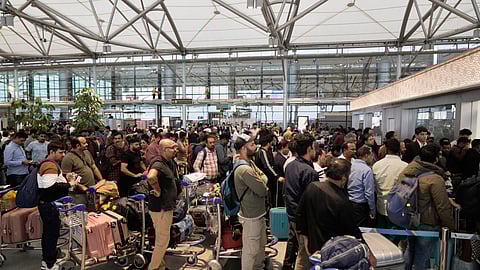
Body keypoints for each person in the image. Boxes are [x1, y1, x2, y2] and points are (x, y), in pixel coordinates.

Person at [398, 144, 455, 269]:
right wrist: (450, 226)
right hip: (427, 223)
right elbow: (442, 206)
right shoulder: (435, 179)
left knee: (410, 251)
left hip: (409, 218)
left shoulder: (407, 172)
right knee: (422, 256)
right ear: (436, 159)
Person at [296, 158, 363, 253]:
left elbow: (300, 215)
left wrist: (305, 239)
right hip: (332, 251)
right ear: (344, 178)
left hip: (312, 246)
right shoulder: (342, 201)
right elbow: (352, 231)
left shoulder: (312, 187)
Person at [38, 141, 81, 270]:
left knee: (50, 234)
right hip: (49, 206)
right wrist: (70, 184)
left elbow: (51, 182)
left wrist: (64, 177)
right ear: (51, 152)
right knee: (51, 234)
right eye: (60, 152)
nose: (63, 155)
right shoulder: (49, 166)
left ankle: (48, 260)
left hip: (48, 205)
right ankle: (49, 264)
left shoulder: (50, 165)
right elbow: (49, 187)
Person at [233, 134, 269, 270]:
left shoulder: (250, 163)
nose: (255, 147)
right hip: (250, 216)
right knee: (250, 250)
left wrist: (262, 180)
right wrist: (262, 181)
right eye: (252, 145)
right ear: (243, 148)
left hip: (258, 214)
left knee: (260, 246)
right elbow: (262, 189)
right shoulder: (244, 169)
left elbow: (264, 177)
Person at [145, 139, 180, 270]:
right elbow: (151, 177)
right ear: (164, 149)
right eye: (173, 148)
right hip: (161, 208)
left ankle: (160, 266)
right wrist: (158, 190)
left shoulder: (169, 162)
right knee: (162, 241)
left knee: (161, 238)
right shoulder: (158, 163)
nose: (176, 149)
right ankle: (153, 268)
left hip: (166, 206)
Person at [284, 134, 318, 270]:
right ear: (309, 148)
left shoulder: (291, 165)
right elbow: (313, 200)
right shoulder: (309, 172)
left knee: (296, 244)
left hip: (292, 212)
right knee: (304, 255)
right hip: (304, 218)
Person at [372, 139, 408, 229]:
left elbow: (373, 187)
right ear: (399, 149)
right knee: (396, 239)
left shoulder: (377, 165)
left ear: (387, 149)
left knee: (381, 238)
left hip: (381, 205)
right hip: (399, 208)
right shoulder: (405, 166)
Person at [61, 137, 103, 202]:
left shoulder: (87, 152)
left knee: (92, 210)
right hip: (78, 194)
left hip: (92, 190)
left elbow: (94, 167)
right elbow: (66, 177)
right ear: (77, 146)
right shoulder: (68, 158)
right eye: (84, 143)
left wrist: (101, 180)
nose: (87, 144)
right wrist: (81, 187)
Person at [347, 146, 376, 227]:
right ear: (366, 156)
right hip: (360, 205)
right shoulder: (367, 170)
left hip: (349, 202)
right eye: (371, 155)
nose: (372, 158)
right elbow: (369, 193)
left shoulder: (349, 166)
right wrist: (372, 209)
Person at [255, 130, 280, 208]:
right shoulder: (262, 152)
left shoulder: (267, 151)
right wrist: (277, 176)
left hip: (269, 178)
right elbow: (267, 166)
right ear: (268, 142)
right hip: (266, 179)